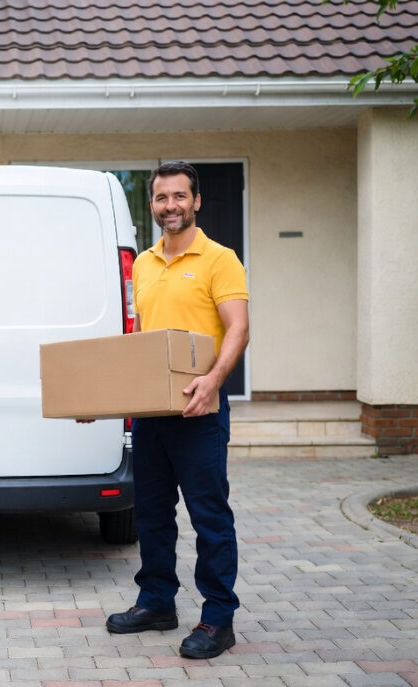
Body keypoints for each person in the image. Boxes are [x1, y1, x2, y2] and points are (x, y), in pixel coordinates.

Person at [96, 161, 249, 659]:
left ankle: (218, 619)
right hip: (152, 414)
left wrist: (212, 381)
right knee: (152, 514)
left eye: (180, 196)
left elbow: (239, 327)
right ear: (153, 204)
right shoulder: (142, 264)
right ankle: (157, 602)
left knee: (209, 517)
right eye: (162, 198)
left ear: (196, 201)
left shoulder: (220, 259)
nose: (171, 206)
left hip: (200, 414)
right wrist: (103, 396)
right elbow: (141, 344)